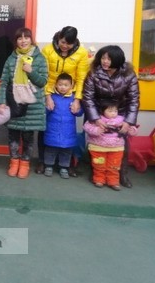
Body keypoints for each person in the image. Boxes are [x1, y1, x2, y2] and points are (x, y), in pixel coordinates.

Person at [81, 45, 140, 188]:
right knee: (95, 143)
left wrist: (129, 122)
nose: (105, 61)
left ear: (117, 60)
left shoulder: (129, 74)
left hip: (120, 114)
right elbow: (87, 97)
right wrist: (95, 119)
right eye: (103, 58)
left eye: (109, 59)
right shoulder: (94, 73)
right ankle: (96, 172)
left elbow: (134, 99)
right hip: (97, 113)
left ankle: (122, 174)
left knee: (121, 146)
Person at [37, 26, 90, 175]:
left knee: (68, 129)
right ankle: (43, 161)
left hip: (70, 93)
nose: (65, 46)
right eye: (63, 42)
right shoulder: (47, 50)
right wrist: (47, 96)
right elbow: (43, 74)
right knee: (45, 126)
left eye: (69, 43)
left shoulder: (81, 53)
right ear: (58, 38)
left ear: (75, 42)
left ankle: (67, 164)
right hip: (49, 91)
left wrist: (77, 99)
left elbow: (81, 78)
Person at [0, 27, 48, 179]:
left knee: (28, 137)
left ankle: (25, 164)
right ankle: (14, 162)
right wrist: (1, 101)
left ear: (31, 40)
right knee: (13, 135)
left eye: (26, 37)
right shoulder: (11, 58)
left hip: (32, 105)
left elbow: (43, 82)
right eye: (20, 38)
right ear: (16, 41)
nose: (23, 41)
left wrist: (31, 71)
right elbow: (4, 82)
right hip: (14, 103)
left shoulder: (40, 58)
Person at [83, 101, 138, 191]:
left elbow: (131, 128)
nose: (113, 113)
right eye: (110, 111)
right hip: (98, 147)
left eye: (115, 111)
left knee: (114, 166)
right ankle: (99, 179)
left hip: (116, 148)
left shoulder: (122, 120)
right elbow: (86, 127)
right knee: (99, 165)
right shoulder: (97, 119)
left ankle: (113, 181)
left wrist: (132, 131)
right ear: (102, 111)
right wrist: (96, 130)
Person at [43, 73, 84, 179]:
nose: (63, 87)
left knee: (66, 150)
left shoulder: (74, 98)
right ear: (56, 84)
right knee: (50, 149)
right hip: (52, 129)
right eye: (60, 84)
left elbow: (79, 113)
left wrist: (77, 110)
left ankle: (64, 167)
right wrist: (48, 108)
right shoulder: (51, 97)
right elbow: (44, 112)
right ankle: (48, 166)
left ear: (71, 86)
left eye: (66, 85)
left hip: (68, 130)